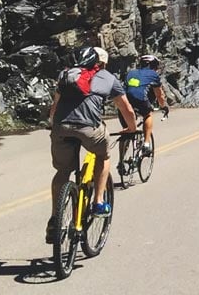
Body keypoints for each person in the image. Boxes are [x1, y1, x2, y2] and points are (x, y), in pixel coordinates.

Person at [46, 45, 136, 243]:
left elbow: (55, 107)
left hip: (61, 128)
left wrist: (52, 125)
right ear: (101, 63)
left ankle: (55, 220)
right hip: (89, 129)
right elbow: (126, 109)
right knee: (103, 156)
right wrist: (131, 128)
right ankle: (98, 202)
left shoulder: (65, 75)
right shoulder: (108, 78)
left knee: (62, 172)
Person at [119, 53, 169, 159]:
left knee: (127, 131)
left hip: (124, 101)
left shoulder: (131, 73)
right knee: (148, 114)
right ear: (153, 66)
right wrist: (163, 106)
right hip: (140, 98)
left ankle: (121, 161)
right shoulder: (153, 74)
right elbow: (159, 94)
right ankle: (146, 144)